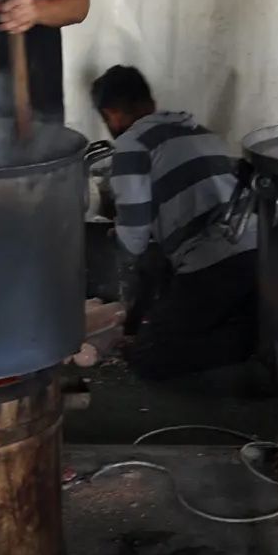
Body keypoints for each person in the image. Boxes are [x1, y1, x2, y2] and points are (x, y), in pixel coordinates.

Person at [91, 65, 259, 380]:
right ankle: (254, 329)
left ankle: (250, 344)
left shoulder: (131, 145)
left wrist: (117, 238)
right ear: (149, 101)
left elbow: (135, 240)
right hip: (259, 255)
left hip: (213, 264)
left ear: (111, 113)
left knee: (147, 357)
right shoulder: (200, 130)